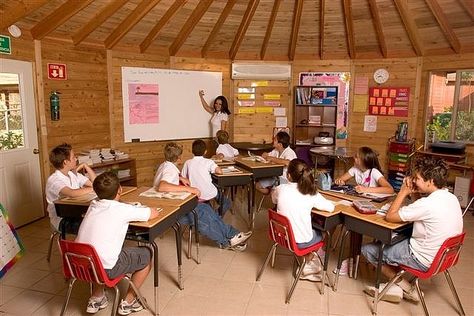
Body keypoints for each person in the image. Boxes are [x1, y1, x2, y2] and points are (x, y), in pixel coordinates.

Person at [361, 156, 463, 303]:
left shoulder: (427, 204)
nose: (413, 180)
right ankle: (395, 285)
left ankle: (405, 287)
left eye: (417, 178)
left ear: (430, 181)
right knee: (398, 237)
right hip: (444, 257)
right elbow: (421, 209)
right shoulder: (450, 197)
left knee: (368, 250)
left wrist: (403, 192)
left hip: (422, 259)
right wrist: (414, 193)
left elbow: (390, 216)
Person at [76, 172, 160, 315]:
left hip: (81, 265)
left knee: (98, 251)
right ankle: (129, 301)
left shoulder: (93, 205)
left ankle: (97, 297)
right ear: (120, 190)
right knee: (147, 254)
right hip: (105, 268)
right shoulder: (122, 209)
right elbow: (152, 214)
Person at [153, 142, 252, 251]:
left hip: (170, 206)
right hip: (172, 213)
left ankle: (233, 235)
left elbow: (167, 179)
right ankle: (227, 241)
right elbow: (163, 186)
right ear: (179, 158)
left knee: (206, 209)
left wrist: (180, 178)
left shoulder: (165, 165)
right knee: (203, 214)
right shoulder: (170, 170)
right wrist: (189, 189)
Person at [272, 159, 335, 281]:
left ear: (288, 175)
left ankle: (308, 262)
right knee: (324, 232)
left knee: (301, 226)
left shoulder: (280, 189)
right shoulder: (310, 193)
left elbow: (274, 200)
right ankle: (309, 259)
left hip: (281, 236)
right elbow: (331, 208)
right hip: (299, 242)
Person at [45, 143, 96, 231]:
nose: (76, 159)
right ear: (65, 162)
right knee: (95, 226)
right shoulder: (54, 180)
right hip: (62, 220)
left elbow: (95, 183)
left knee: (100, 220)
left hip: (76, 213)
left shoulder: (72, 174)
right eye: (73, 157)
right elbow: (72, 193)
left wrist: (85, 166)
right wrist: (95, 189)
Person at [182, 139, 231, 214]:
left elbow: (183, 177)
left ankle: (211, 214)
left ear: (192, 151)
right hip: (207, 193)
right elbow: (219, 171)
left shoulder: (187, 163)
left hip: (194, 194)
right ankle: (216, 215)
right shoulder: (209, 162)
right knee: (226, 202)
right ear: (205, 151)